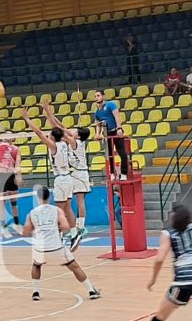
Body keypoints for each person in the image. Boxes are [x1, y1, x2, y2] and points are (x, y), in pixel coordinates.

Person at [22, 186, 100, 301]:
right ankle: (91, 291)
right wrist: (57, 228)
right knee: (75, 267)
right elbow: (66, 228)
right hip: (56, 247)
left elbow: (26, 232)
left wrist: (38, 229)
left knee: (36, 265)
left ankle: (35, 292)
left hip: (40, 248)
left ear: (38, 198)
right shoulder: (57, 210)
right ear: (50, 197)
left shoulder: (32, 213)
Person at [22, 109, 83, 251]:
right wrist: (48, 112)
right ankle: (74, 234)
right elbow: (57, 127)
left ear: (53, 138)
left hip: (61, 180)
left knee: (60, 210)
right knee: (67, 208)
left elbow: (38, 133)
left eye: (49, 135)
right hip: (68, 178)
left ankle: (59, 237)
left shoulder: (53, 146)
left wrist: (27, 120)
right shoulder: (65, 143)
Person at [42, 100, 91, 244]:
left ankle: (80, 227)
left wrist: (48, 112)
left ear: (79, 135)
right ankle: (70, 229)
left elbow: (59, 129)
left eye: (75, 131)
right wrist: (49, 112)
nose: (72, 130)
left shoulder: (77, 143)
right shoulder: (72, 139)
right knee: (68, 204)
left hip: (80, 173)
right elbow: (60, 126)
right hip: (72, 174)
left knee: (80, 200)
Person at [0, 125, 23, 239]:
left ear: (13, 138)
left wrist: (18, 175)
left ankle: (16, 224)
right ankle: (4, 227)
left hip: (11, 175)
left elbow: (18, 164)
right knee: (1, 202)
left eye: (10, 134)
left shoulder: (16, 149)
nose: (8, 135)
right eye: (6, 134)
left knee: (14, 202)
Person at [93, 90, 129, 181]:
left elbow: (117, 116)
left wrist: (119, 128)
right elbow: (98, 124)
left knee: (122, 153)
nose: (97, 97)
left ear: (103, 96)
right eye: (95, 96)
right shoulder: (97, 112)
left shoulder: (111, 105)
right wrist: (97, 134)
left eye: (98, 95)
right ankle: (112, 172)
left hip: (116, 132)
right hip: (106, 134)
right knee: (109, 155)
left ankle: (124, 173)